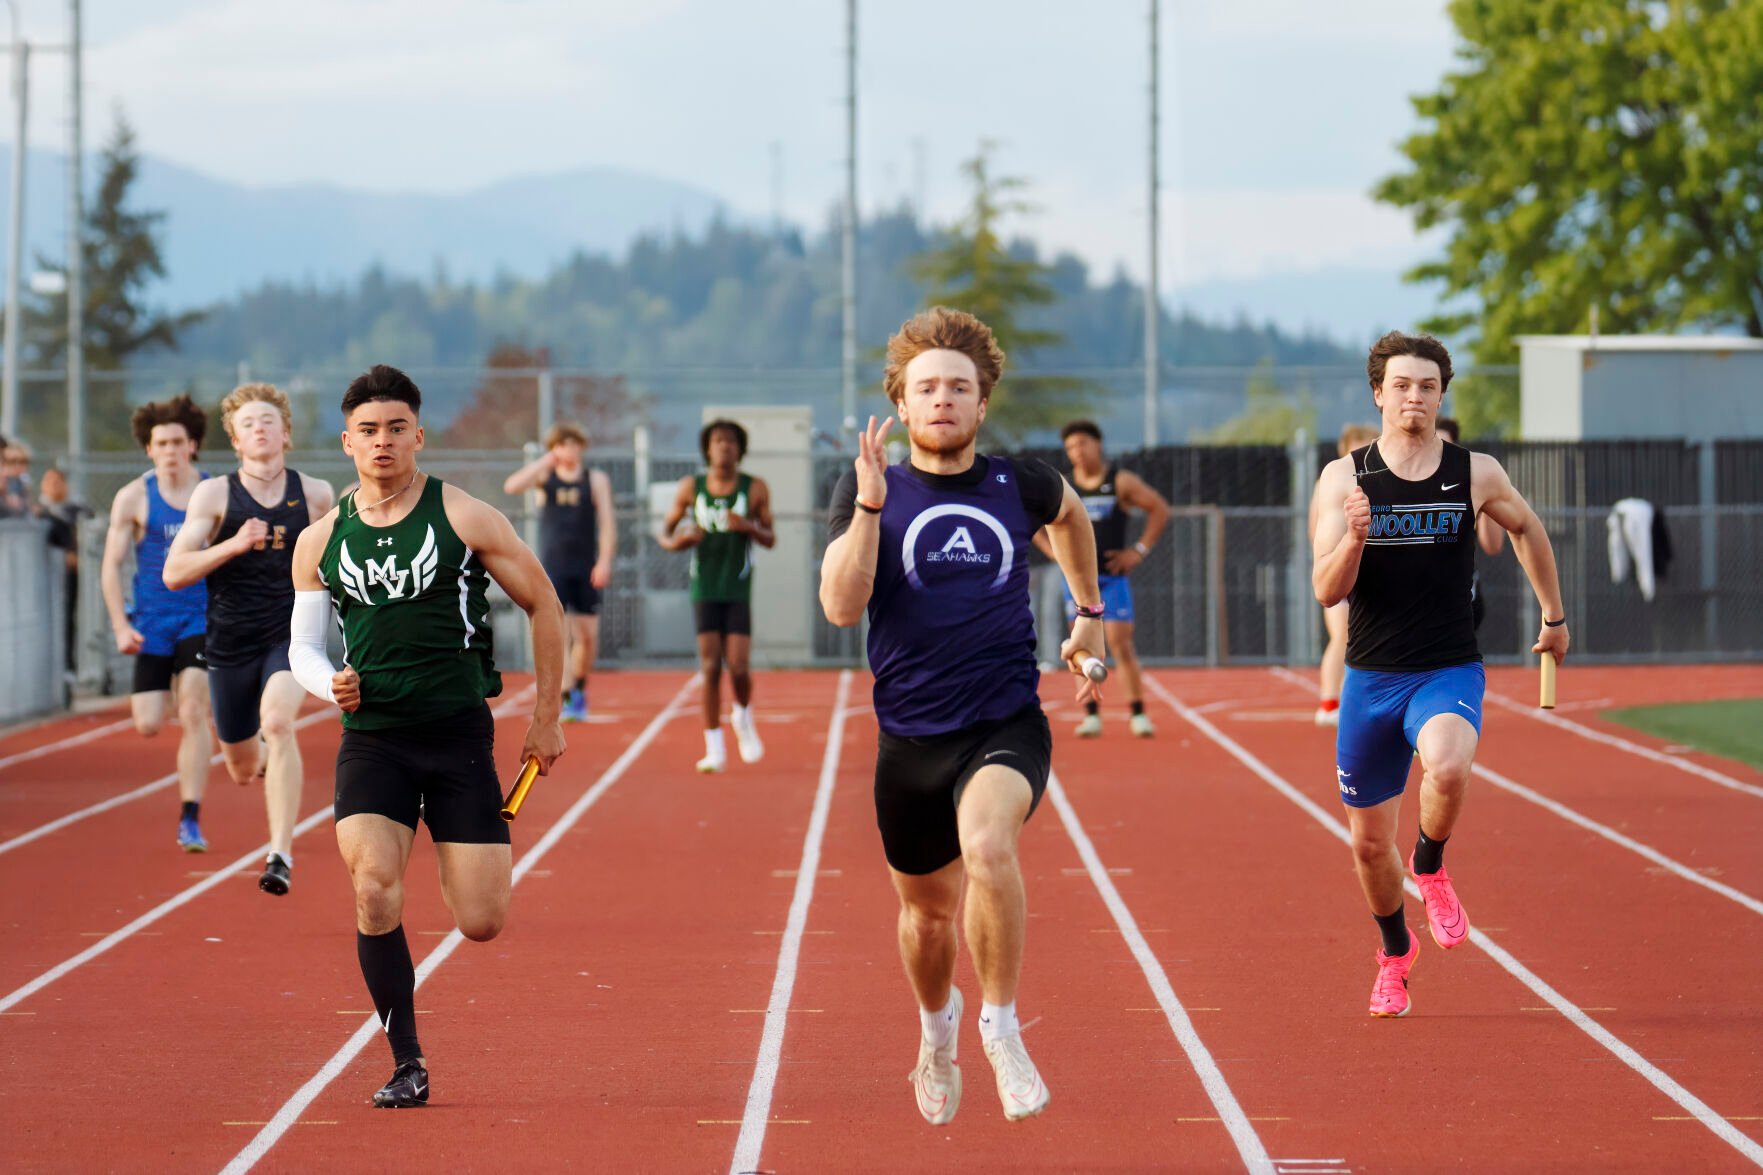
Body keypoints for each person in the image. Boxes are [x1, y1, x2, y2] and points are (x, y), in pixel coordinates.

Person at [820, 306, 1106, 1124]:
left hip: (1003, 721)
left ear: (982, 405)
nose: (942, 398)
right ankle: (935, 1031)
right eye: (925, 388)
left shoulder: (1021, 483)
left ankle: (1001, 1025)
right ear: (901, 407)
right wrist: (871, 509)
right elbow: (841, 607)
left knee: (987, 845)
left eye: (959, 386)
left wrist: (1086, 610)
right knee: (925, 915)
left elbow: (1072, 517)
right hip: (908, 736)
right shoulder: (869, 486)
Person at [288, 363, 566, 1109]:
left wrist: (546, 715)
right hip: (373, 739)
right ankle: (406, 1059)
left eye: (396, 429)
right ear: (346, 442)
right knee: (373, 889)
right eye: (368, 431)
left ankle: (457, 858)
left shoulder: (465, 515)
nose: (383, 442)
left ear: (419, 435)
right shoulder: (320, 539)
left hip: (456, 738)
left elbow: (544, 604)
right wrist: (328, 683)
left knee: (480, 920)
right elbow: (304, 649)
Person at [1311, 331, 1569, 1018]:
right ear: (1378, 393)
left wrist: (1552, 614)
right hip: (1370, 677)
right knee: (1368, 846)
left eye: (1426, 386)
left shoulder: (1473, 471)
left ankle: (1429, 863)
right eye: (1400, 385)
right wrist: (1356, 538)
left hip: (1446, 666)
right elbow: (1324, 589)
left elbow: (1526, 529)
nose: (1413, 397)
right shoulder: (1343, 478)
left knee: (1448, 766)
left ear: (1440, 395)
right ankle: (1393, 955)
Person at [164, 383, 334, 895]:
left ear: (286, 433)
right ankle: (264, 762)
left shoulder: (315, 493)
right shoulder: (215, 494)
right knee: (240, 767)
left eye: (268, 420)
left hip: (291, 635)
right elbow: (175, 572)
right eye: (247, 424)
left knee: (280, 723)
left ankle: (279, 850)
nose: (259, 428)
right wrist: (234, 545)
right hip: (230, 641)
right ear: (236, 441)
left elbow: (337, 565)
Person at [100, 395, 216, 851]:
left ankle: (190, 817)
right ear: (149, 448)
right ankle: (187, 690)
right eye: (160, 442)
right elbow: (110, 565)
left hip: (200, 616)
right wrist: (119, 626)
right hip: (152, 620)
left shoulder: (212, 492)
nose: (169, 450)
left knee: (192, 710)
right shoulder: (133, 496)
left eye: (177, 442)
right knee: (148, 722)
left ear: (192, 446)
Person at [656, 418, 775, 772]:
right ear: (707, 448)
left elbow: (770, 538)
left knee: (738, 666)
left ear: (740, 449)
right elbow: (664, 533)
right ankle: (714, 748)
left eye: (731, 441)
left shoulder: (753, 489)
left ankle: (742, 715)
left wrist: (749, 527)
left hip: (737, 586)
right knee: (709, 668)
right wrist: (679, 541)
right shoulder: (691, 487)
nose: (724, 446)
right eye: (718, 441)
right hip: (704, 586)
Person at [1038, 420, 1169, 738]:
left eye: (1082, 444)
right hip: (1079, 584)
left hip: (1112, 578)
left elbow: (1159, 509)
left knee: (1121, 644)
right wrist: (1054, 552)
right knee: (1081, 647)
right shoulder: (1065, 487)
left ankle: (1137, 712)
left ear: (1097, 445)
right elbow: (1036, 522)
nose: (1076, 452)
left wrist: (1138, 551)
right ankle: (1091, 714)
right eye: (1070, 447)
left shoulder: (1119, 481)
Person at [502, 423, 616, 722]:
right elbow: (512, 486)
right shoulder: (545, 476)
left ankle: (579, 684)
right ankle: (568, 695)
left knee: (588, 636)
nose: (569, 450)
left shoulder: (595, 479)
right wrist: (546, 459)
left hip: (585, 566)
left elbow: (607, 523)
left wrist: (604, 561)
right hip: (553, 566)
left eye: (574, 444)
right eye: (562, 445)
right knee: (560, 633)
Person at [1309, 423, 1381, 726]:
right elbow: (1316, 528)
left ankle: (1361, 698)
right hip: (1341, 569)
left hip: (1371, 575)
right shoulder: (1334, 480)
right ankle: (1328, 701)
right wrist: (1334, 556)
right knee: (1341, 635)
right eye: (1361, 443)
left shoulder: (1378, 479)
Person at [1436, 416, 1507, 631]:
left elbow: (1493, 546)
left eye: (1445, 445)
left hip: (1462, 600)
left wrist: (1484, 502)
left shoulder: (1469, 485)